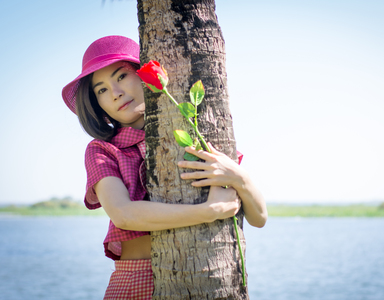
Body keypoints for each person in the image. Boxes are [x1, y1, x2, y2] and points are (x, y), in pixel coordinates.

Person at [61, 35, 267, 299]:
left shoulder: (190, 129)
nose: (115, 93)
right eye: (101, 90)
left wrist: (239, 178)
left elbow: (259, 218)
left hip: (203, 277)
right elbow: (124, 214)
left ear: (142, 73)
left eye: (121, 76)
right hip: (136, 283)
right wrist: (209, 211)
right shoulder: (103, 150)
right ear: (96, 104)